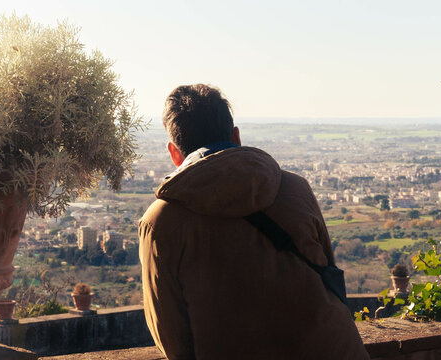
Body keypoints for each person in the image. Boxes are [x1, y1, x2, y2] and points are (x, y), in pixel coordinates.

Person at [139, 84, 369, 360]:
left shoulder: (161, 222)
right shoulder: (295, 188)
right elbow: (329, 273)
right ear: (236, 136)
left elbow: (170, 335)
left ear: (174, 154)